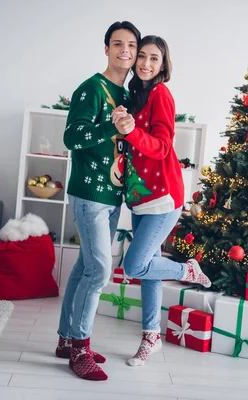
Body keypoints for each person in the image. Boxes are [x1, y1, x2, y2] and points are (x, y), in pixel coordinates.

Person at [112, 36, 212, 367]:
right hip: (143, 197)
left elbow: (163, 147)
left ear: (162, 65)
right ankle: (151, 337)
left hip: (164, 197)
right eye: (142, 56)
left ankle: (187, 269)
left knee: (134, 265)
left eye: (154, 59)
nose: (145, 63)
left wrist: (130, 133)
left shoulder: (160, 94)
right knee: (149, 271)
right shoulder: (136, 97)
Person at [55, 20, 141, 381]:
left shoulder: (127, 94)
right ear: (106, 49)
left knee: (84, 267)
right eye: (117, 44)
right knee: (101, 270)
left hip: (112, 193)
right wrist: (111, 127)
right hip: (89, 193)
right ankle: (80, 348)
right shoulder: (92, 89)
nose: (125, 50)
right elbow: (71, 137)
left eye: (132, 46)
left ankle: (64, 339)